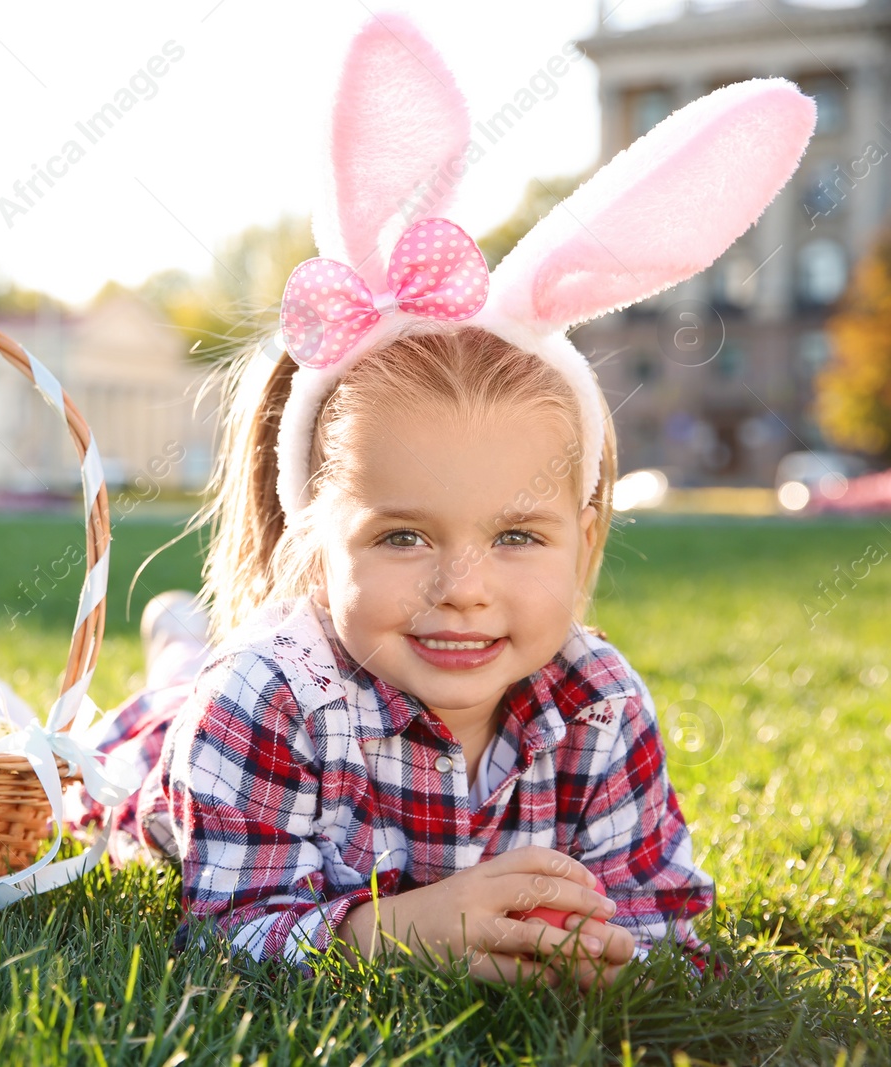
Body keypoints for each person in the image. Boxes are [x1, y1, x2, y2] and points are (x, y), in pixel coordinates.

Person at [66, 14, 818, 986]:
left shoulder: (597, 707)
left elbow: (662, 912)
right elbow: (228, 930)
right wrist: (402, 929)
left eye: (515, 534)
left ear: (586, 539)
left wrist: (609, 949)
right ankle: (46, 650)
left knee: (189, 655)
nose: (462, 588)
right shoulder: (267, 701)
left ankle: (179, 630)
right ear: (314, 535)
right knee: (122, 722)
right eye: (403, 534)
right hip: (161, 758)